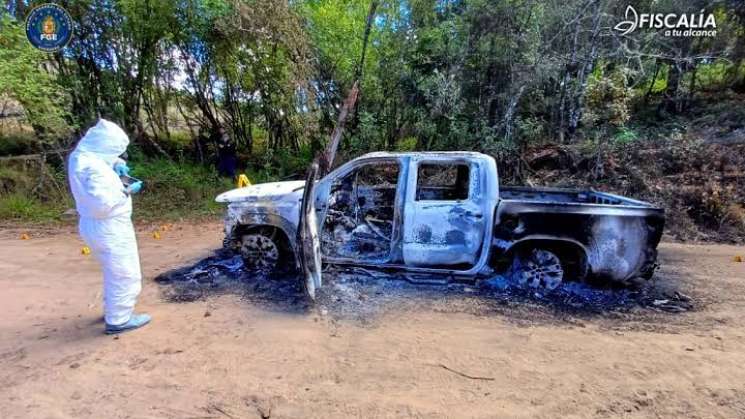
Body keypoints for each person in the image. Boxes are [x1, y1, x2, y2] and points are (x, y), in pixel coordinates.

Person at [68, 119, 151, 334]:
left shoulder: (82, 156)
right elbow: (103, 203)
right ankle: (119, 320)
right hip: (109, 227)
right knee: (125, 273)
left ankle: (113, 310)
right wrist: (126, 190)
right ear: (105, 144)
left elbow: (100, 162)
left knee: (112, 271)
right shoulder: (93, 168)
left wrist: (116, 165)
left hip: (94, 225)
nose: (117, 154)